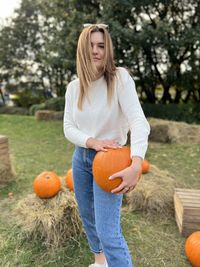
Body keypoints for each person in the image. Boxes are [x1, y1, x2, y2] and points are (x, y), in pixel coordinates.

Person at [63, 23, 150, 267]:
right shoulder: (73, 87)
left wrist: (136, 163)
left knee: (108, 231)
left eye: (101, 45)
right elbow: (68, 127)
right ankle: (100, 263)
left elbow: (139, 122)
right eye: (91, 45)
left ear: (107, 49)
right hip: (81, 158)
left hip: (110, 162)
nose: (96, 50)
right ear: (82, 49)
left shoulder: (119, 78)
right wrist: (91, 141)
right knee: (89, 218)